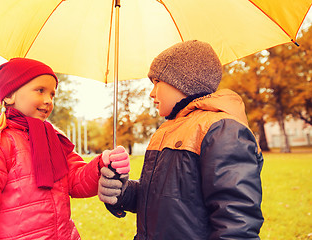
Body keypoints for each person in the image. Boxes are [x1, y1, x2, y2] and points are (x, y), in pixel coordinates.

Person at [98, 40, 264, 239]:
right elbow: (161, 201)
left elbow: (237, 220)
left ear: (182, 81)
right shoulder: (167, 131)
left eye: (156, 82)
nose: (151, 93)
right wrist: (123, 191)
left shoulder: (221, 129)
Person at [0, 58, 130, 240]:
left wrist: (101, 165)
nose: (48, 100)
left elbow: (75, 180)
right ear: (9, 95)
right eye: (40, 90)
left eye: (52, 94)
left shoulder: (54, 140)